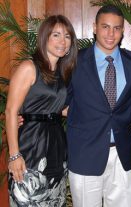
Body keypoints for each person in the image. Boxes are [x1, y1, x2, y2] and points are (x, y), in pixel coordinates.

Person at [66, 5, 131, 207]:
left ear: (123, 30)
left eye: (117, 28)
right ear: (94, 27)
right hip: (85, 153)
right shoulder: (74, 61)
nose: (111, 34)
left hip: (122, 154)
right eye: (105, 27)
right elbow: (57, 99)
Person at [5, 15, 77, 206]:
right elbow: (11, 110)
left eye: (68, 36)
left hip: (56, 144)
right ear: (45, 37)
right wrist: (14, 155)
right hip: (31, 142)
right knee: (27, 197)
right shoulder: (29, 67)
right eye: (56, 35)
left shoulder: (62, 73)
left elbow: (58, 109)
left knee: (54, 198)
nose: (63, 41)